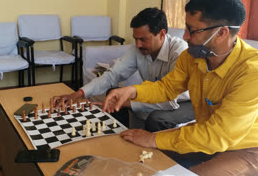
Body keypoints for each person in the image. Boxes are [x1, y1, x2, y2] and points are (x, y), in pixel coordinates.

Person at [102, 0, 258, 176]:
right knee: (141, 155)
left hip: (250, 149)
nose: (185, 36)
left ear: (221, 33)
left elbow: (217, 135)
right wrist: (132, 91)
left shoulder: (255, 72)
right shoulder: (191, 57)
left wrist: (153, 138)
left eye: (192, 30)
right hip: (206, 133)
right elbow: (167, 88)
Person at [53, 7, 194, 130]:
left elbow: (168, 101)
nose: (138, 45)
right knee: (112, 93)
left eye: (143, 39)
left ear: (162, 34)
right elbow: (112, 75)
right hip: (157, 95)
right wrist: (78, 94)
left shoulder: (180, 51)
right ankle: (120, 138)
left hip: (185, 102)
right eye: (135, 39)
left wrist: (123, 102)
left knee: (157, 119)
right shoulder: (138, 49)